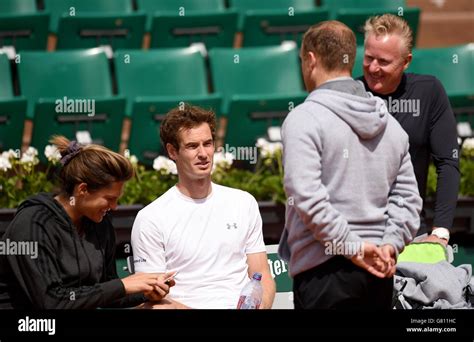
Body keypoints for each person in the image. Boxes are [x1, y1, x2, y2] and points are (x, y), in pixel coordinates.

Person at [278, 21, 422, 309]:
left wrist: (353, 247)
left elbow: (305, 195)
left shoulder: (303, 118)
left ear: (311, 59)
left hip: (323, 274)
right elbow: (408, 201)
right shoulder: (392, 126)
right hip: (379, 270)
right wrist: (388, 246)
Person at [0, 136, 173, 309]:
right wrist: (122, 286)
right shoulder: (33, 223)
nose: (114, 207)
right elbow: (51, 302)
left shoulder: (100, 224)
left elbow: (106, 292)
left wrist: (145, 291)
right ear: (82, 189)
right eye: (109, 199)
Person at [131, 104, 276, 309]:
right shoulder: (151, 218)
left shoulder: (244, 203)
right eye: (192, 146)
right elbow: (154, 300)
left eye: (207, 144)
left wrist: (261, 307)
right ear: (172, 151)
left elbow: (262, 275)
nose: (203, 154)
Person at [359, 14, 460, 246]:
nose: (373, 68)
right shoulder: (349, 94)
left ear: (406, 61)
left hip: (411, 234)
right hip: (358, 237)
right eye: (368, 58)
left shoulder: (429, 91)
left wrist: (441, 231)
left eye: (383, 61)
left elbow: (448, 163)